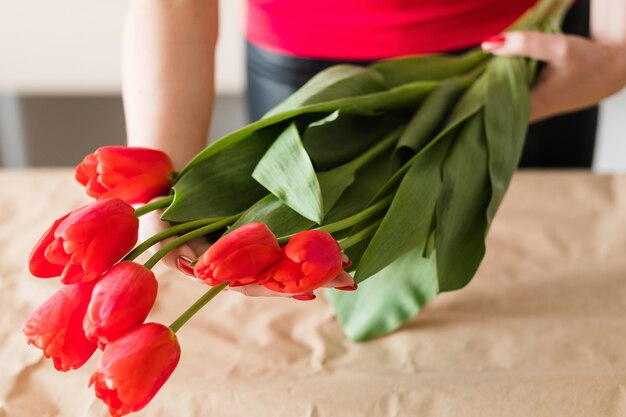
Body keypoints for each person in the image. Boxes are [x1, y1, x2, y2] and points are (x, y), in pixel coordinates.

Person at [122, 0, 626, 279]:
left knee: (536, 274)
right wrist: (160, 177)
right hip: (305, 64)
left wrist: (617, 48)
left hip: (526, 58)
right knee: (323, 297)